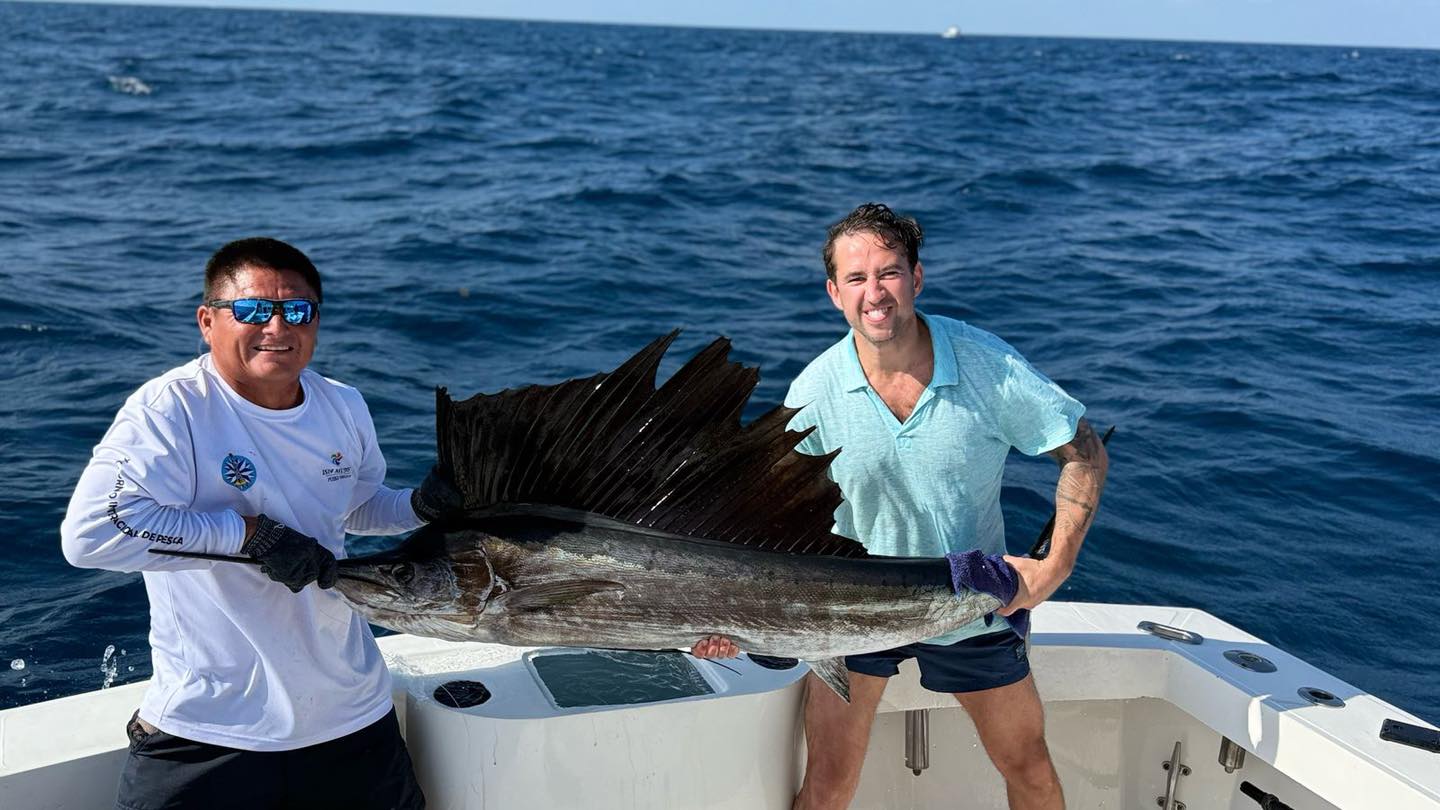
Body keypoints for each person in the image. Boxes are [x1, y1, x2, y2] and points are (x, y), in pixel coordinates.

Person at [693, 203, 1108, 810]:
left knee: (1030, 769)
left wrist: (1054, 568)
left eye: (889, 273)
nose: (875, 293)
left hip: (967, 600)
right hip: (846, 610)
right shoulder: (812, 393)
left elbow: (1085, 453)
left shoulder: (987, 367)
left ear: (916, 277)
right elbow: (770, 526)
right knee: (827, 786)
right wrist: (730, 618)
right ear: (834, 292)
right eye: (857, 278)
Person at [60, 237, 461, 809]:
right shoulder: (170, 409)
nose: (277, 327)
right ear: (208, 321)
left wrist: (419, 506)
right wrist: (252, 536)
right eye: (252, 309)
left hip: (351, 717)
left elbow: (352, 507)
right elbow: (93, 534)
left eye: (297, 310)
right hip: (211, 730)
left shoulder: (344, 404)